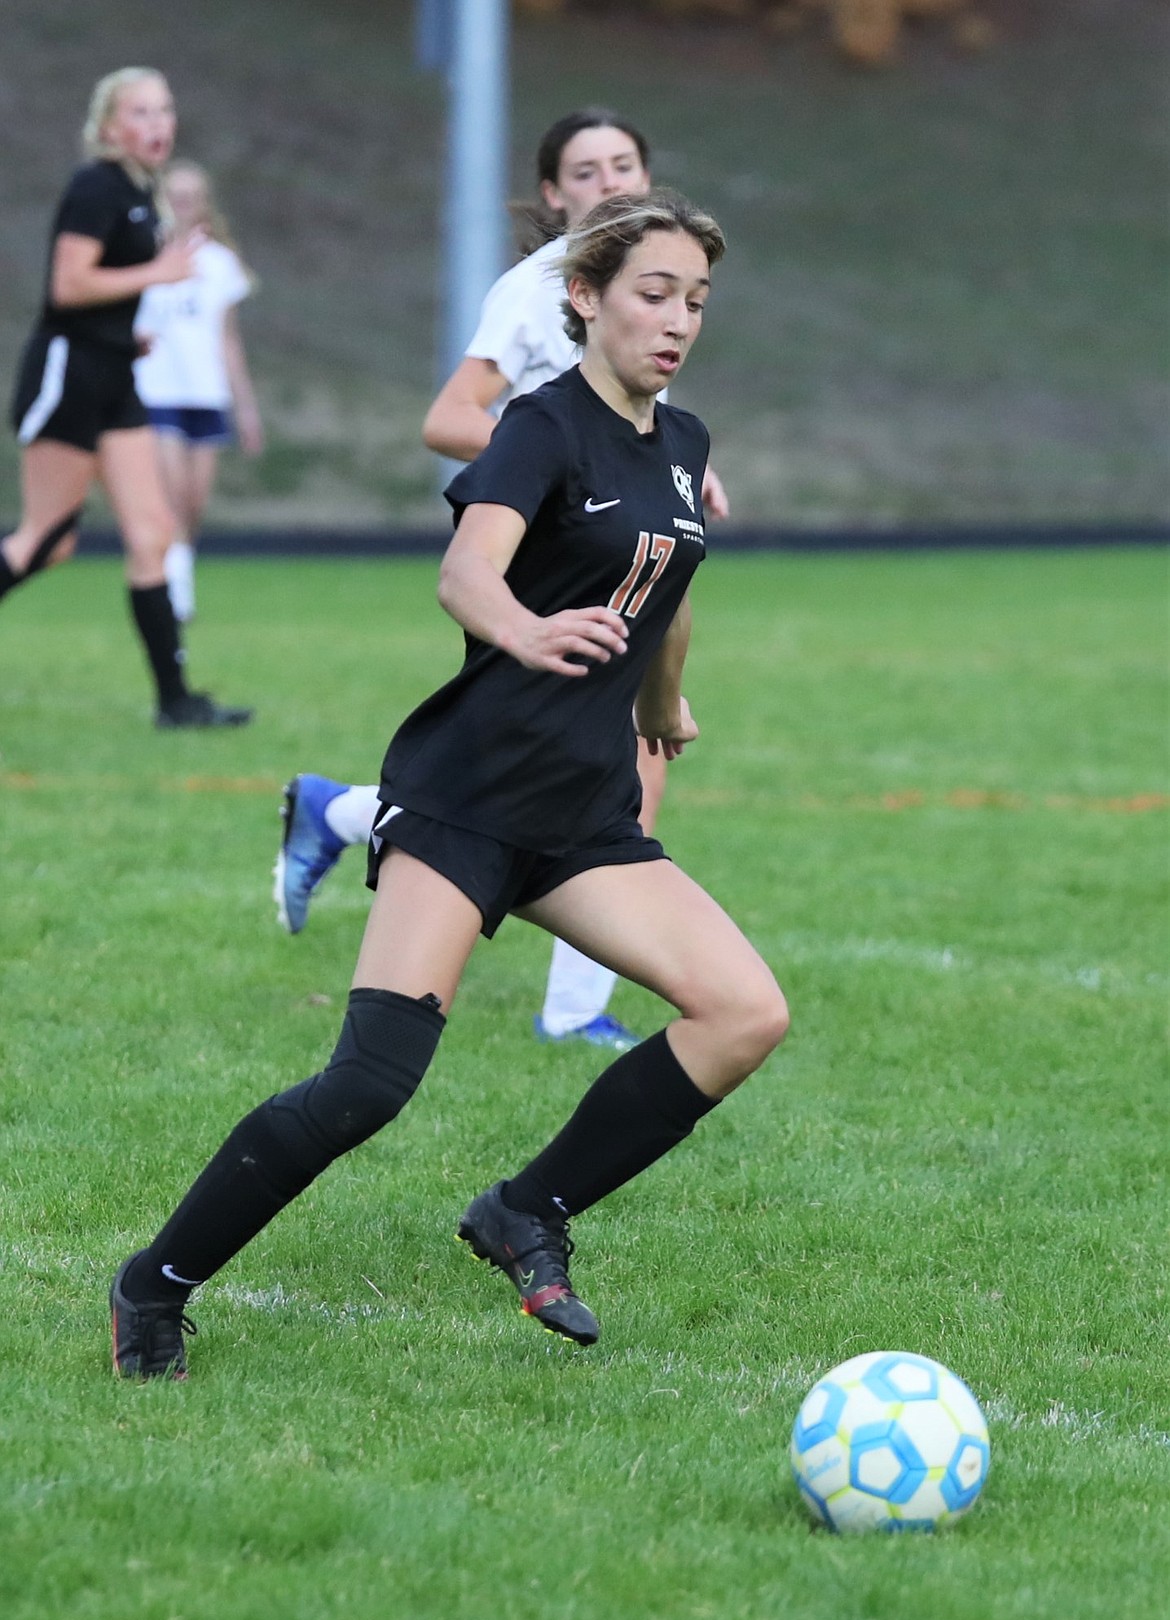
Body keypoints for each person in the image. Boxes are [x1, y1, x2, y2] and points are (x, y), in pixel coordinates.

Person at [110, 189, 789, 1380]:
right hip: (469, 794)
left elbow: (661, 594)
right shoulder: (541, 424)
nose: (677, 320)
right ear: (583, 298)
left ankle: (526, 1210)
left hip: (583, 816)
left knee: (745, 1012)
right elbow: (465, 571)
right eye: (652, 293)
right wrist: (523, 632)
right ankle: (154, 1282)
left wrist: (660, 705)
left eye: (695, 299)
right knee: (367, 1084)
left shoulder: (684, 444)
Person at [274, 108, 729, 1052]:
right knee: (547, 769)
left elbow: (643, 435)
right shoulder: (541, 292)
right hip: (548, 566)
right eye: (587, 170)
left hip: (620, 561)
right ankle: (570, 1008)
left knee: (613, 773)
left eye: (625, 165)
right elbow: (453, 417)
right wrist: (572, 464)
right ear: (555, 195)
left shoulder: (660, 281)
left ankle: (340, 810)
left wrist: (643, 472)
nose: (609, 182)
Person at [0, 67, 251, 729]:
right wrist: (160, 272)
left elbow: (105, 295)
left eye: (164, 110)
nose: (156, 124)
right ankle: (174, 698)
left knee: (153, 533)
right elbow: (67, 286)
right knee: (46, 540)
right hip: (70, 377)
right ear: (108, 127)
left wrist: (126, 334)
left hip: (116, 375)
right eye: (139, 112)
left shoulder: (140, 194)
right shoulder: (96, 185)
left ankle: (176, 702)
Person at [134, 160, 263, 624]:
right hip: (157, 391)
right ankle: (174, 590)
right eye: (175, 192)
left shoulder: (219, 263)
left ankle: (179, 568)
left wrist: (245, 408)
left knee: (193, 501)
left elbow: (228, 339)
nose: (183, 201)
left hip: (205, 394)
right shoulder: (142, 254)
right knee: (169, 494)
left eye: (192, 193)